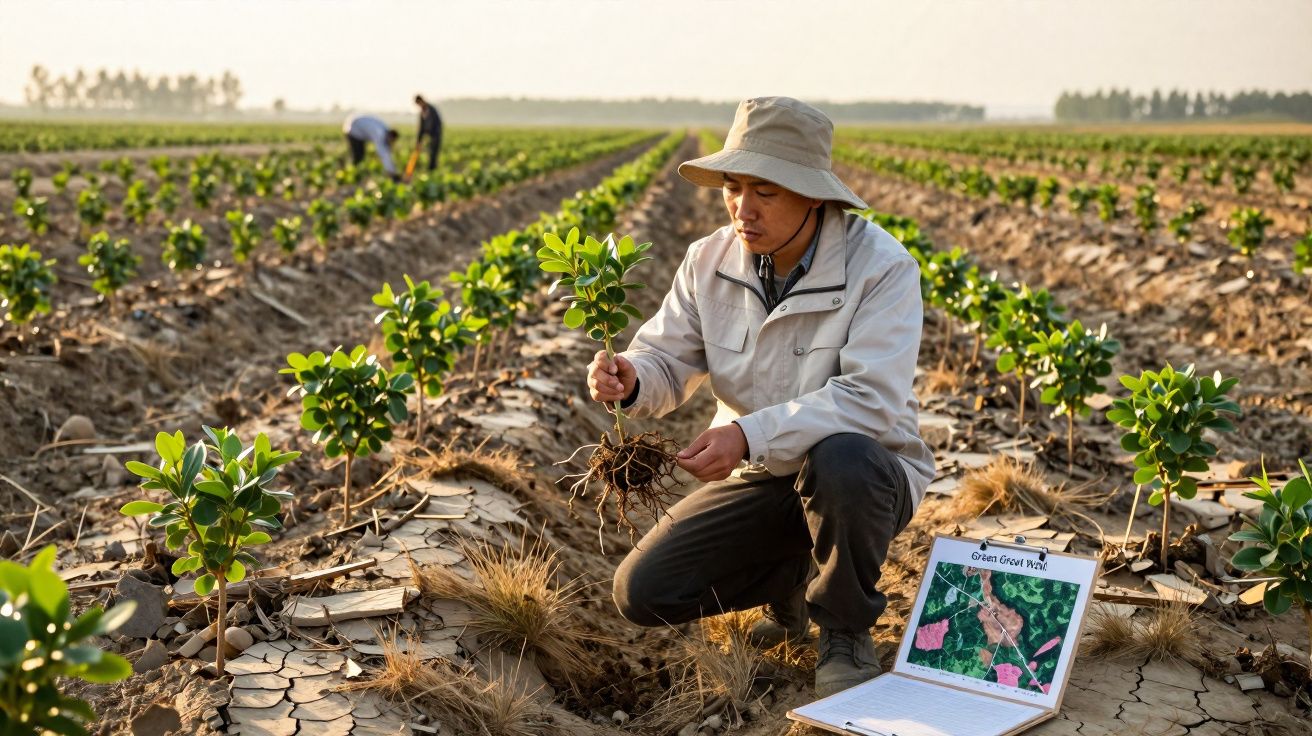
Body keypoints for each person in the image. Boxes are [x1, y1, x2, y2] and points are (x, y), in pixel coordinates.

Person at [590, 97, 935, 698]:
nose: (742, 209)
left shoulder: (882, 268)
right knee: (643, 593)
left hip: (865, 478)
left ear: (814, 196)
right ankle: (792, 581)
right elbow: (669, 357)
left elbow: (869, 400)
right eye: (733, 186)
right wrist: (633, 377)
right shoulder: (709, 259)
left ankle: (846, 629)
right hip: (760, 474)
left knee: (842, 458)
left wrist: (747, 433)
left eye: (766, 192)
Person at [342, 113, 400, 181]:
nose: (391, 143)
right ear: (390, 137)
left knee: (360, 154)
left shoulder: (384, 130)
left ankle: (353, 173)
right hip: (353, 129)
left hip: (355, 124)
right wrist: (392, 172)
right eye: (391, 141)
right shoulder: (379, 133)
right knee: (358, 155)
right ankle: (351, 175)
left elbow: (385, 150)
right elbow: (383, 153)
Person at [414, 95, 443, 172]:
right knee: (429, 154)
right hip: (429, 136)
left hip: (435, 135)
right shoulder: (422, 112)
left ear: (422, 101)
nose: (419, 106)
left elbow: (437, 124)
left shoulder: (432, 110)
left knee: (434, 154)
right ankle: (431, 170)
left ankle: (433, 170)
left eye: (419, 103)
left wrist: (434, 135)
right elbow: (421, 128)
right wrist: (418, 141)